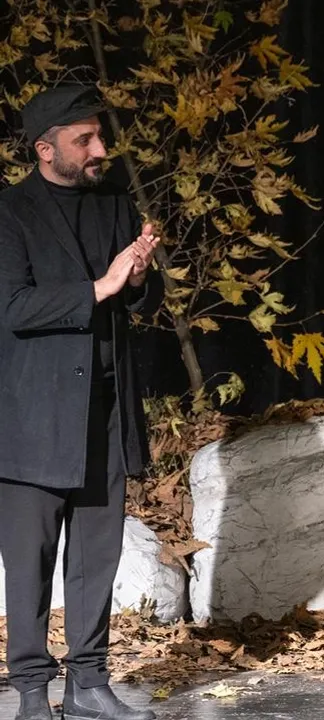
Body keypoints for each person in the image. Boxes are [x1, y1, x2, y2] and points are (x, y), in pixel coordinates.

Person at [0, 85, 161, 720]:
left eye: (99, 136)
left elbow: (137, 298)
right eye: (84, 140)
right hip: (34, 417)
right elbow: (12, 307)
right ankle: (31, 692)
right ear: (46, 149)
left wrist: (139, 277)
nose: (100, 149)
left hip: (104, 410)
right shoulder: (9, 211)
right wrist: (101, 286)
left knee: (97, 555)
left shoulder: (114, 202)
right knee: (30, 562)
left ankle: (89, 684)